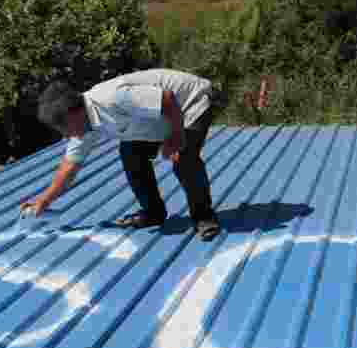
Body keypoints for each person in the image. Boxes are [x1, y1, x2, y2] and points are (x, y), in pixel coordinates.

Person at [23, 69, 221, 240]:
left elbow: (167, 98)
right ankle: (153, 213)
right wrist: (44, 200)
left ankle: (203, 216)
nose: (64, 134)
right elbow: (69, 166)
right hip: (161, 116)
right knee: (131, 154)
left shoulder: (112, 98)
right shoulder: (84, 122)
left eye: (63, 127)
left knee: (184, 158)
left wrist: (176, 136)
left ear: (73, 114)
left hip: (190, 102)